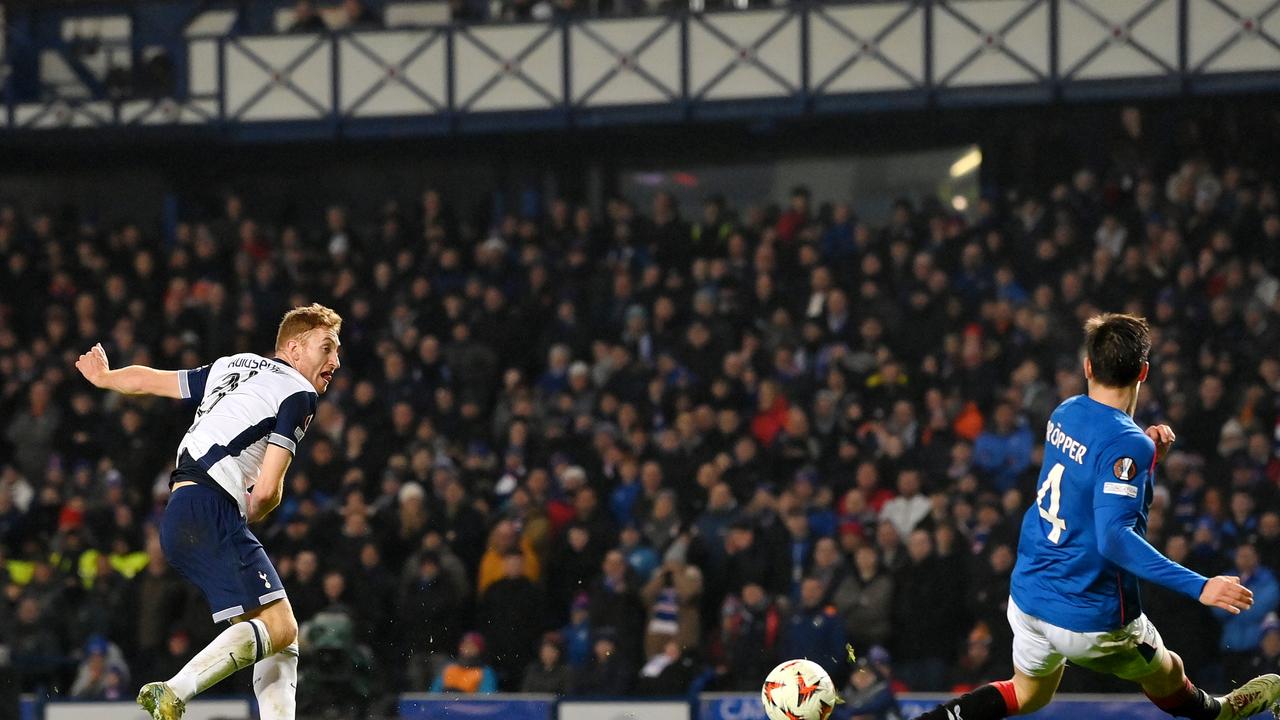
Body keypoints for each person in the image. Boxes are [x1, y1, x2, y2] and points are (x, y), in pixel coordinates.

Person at [913, 314, 1280, 720]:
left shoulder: (1064, 412)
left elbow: (1087, 478)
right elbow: (1114, 537)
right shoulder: (1129, 444)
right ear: (1143, 371)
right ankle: (1223, 712)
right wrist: (1200, 586)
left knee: (1027, 694)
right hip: (1089, 619)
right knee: (1168, 671)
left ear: (1088, 366)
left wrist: (1148, 459)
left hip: (1029, 596)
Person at [76, 303, 343, 720]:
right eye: (326, 348)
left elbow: (151, 381)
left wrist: (106, 377)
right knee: (283, 628)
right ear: (293, 348)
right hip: (212, 507)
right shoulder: (298, 393)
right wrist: (258, 508)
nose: (335, 361)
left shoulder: (233, 365)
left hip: (179, 510)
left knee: (279, 634)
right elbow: (269, 488)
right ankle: (174, 691)